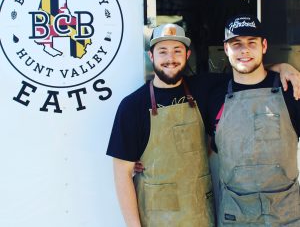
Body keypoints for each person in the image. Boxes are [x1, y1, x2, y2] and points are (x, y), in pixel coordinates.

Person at [107, 22, 300, 227]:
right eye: (162, 51)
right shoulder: (132, 106)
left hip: (202, 216)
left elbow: (247, 70)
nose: (170, 59)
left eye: (177, 51)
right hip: (156, 219)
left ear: (187, 55)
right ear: (151, 56)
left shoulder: (205, 88)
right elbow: (122, 174)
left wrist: (284, 68)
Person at [208, 14, 300, 226]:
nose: (244, 50)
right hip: (235, 217)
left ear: (264, 45)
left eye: (252, 43)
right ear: (226, 49)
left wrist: (284, 67)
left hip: (287, 216)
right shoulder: (212, 95)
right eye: (236, 44)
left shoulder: (290, 90)